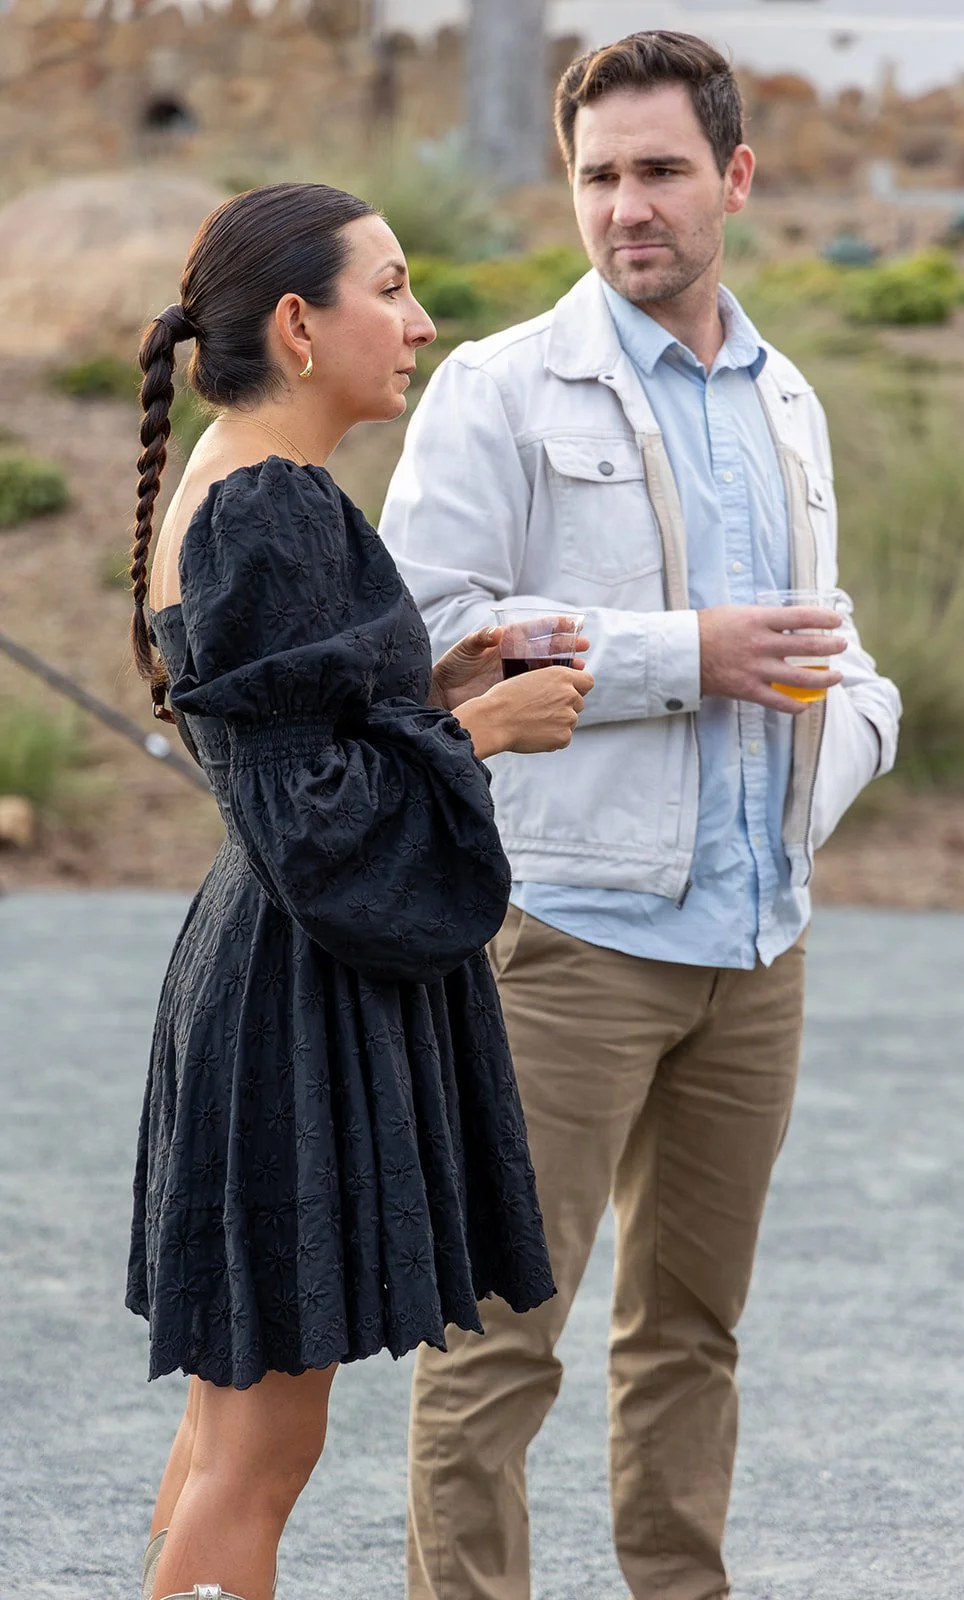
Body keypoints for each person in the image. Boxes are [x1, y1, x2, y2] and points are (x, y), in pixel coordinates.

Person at [378, 31, 902, 1600]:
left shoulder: (783, 395)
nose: (626, 209)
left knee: (693, 1337)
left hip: (758, 947)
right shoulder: (499, 387)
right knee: (495, 1345)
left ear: (732, 178)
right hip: (569, 938)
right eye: (599, 176)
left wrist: (840, 749)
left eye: (661, 170)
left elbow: (829, 645)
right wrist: (687, 660)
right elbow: (424, 629)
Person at [124, 181, 593, 1600]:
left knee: (225, 1442)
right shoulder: (270, 507)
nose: (420, 320)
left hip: (256, 976)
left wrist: (427, 685)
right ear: (296, 323)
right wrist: (477, 734)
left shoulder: (233, 480)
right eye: (388, 288)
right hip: (291, 1004)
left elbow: (298, 734)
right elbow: (310, 818)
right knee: (258, 1465)